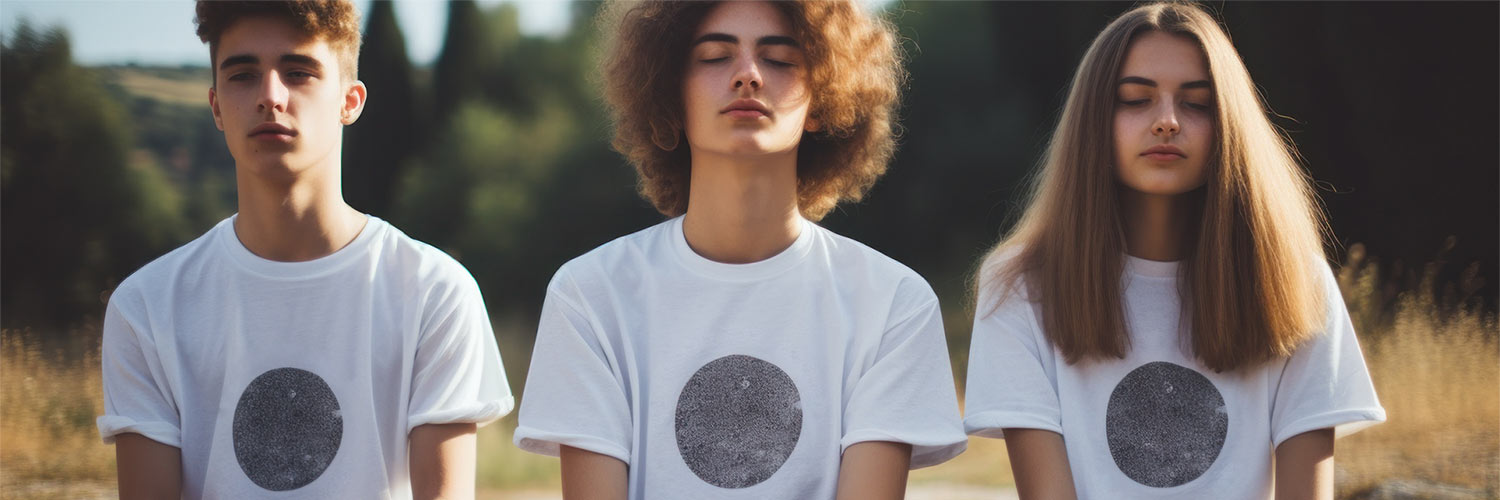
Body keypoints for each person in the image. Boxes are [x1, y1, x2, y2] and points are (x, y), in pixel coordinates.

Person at [512, 1, 966, 498]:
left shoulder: (893, 305)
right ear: (670, 94)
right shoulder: (589, 296)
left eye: (780, 60)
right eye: (713, 57)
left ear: (822, 99)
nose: (748, 75)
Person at [963, 3, 1385, 499]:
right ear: (1092, 120)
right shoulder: (1020, 285)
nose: (1167, 121)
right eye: (1136, 99)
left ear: (1229, 125)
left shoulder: (1296, 283)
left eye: (1198, 104)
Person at [96, 1, 512, 497]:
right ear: (215, 107)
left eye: (298, 72)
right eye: (242, 75)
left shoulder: (433, 293)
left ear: (350, 100)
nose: (270, 97)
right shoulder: (146, 306)